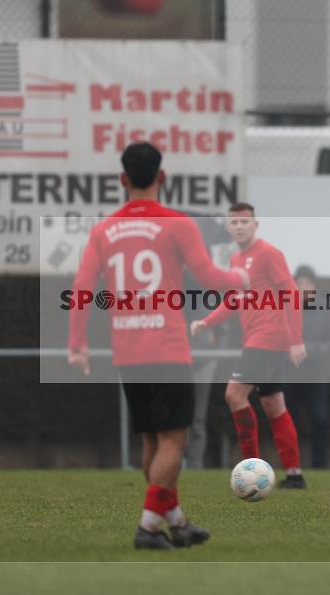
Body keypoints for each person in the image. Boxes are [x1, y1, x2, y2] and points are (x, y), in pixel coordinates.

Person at [67, 142, 249, 550]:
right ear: (162, 177)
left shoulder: (103, 229)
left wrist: (77, 343)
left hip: (127, 350)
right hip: (166, 347)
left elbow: (81, 289)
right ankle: (149, 526)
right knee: (174, 441)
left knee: (152, 441)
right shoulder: (177, 223)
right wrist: (239, 280)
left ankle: (177, 521)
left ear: (123, 179)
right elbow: (207, 276)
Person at [190, 203, 308, 489]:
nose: (239, 227)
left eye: (245, 222)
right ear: (229, 227)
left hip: (268, 338)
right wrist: (207, 322)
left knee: (234, 394)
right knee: (273, 404)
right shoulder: (235, 259)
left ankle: (251, 470)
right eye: (234, 222)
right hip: (258, 338)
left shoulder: (268, 254)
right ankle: (294, 476)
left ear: (255, 225)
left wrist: (296, 340)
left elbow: (291, 293)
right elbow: (234, 301)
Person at [284, 265, 330, 468]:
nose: (303, 287)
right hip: (290, 374)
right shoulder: (285, 308)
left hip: (315, 374)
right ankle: (292, 466)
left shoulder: (325, 309)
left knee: (319, 419)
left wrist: (310, 350)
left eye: (307, 283)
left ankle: (319, 464)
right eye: (299, 283)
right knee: (289, 422)